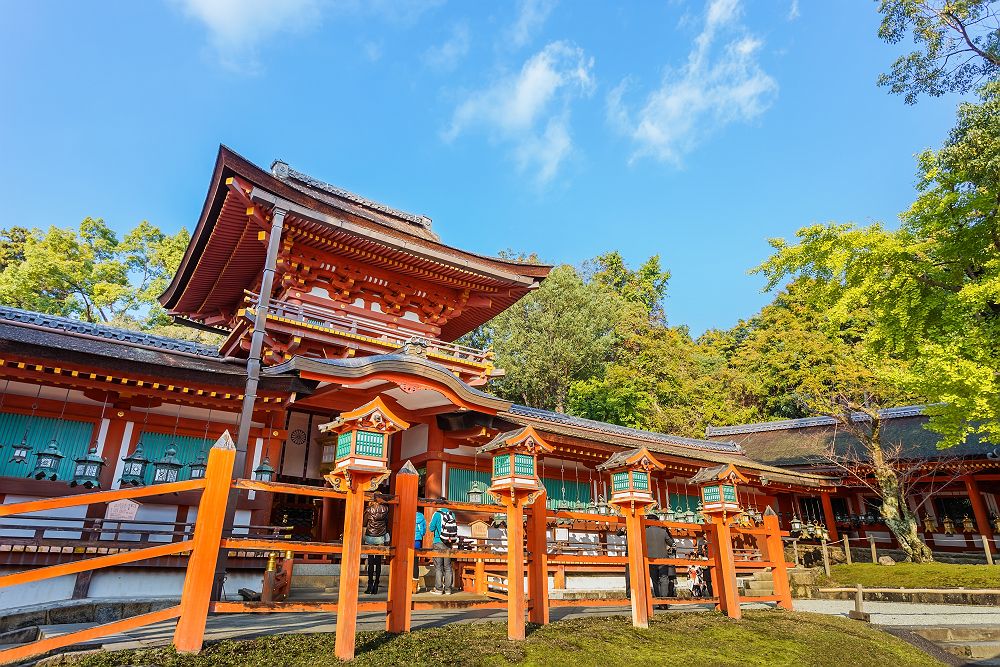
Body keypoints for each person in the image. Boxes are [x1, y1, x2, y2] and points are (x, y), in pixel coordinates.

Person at [428, 499, 458, 594]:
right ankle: (448, 589)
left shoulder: (437, 514)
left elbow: (431, 528)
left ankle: (439, 589)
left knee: (438, 567)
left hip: (438, 542)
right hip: (448, 543)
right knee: (448, 567)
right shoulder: (452, 514)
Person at [362, 497, 389, 595]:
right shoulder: (385, 509)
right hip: (380, 537)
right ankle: (376, 584)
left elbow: (364, 523)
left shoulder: (369, 510)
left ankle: (370, 585)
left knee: (371, 563)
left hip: (370, 536)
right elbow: (387, 523)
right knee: (378, 562)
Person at [645, 520, 672, 600]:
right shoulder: (663, 531)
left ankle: (658, 599)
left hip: (650, 559)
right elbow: (671, 543)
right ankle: (664, 600)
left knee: (655, 579)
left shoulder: (644, 531)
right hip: (663, 558)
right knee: (664, 578)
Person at [413, 509, 427, 589]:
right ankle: (415, 584)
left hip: (409, 540)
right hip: (417, 540)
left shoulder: (409, 515)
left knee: (407, 561)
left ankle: (407, 581)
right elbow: (423, 530)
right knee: (415, 562)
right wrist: (421, 534)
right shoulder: (421, 516)